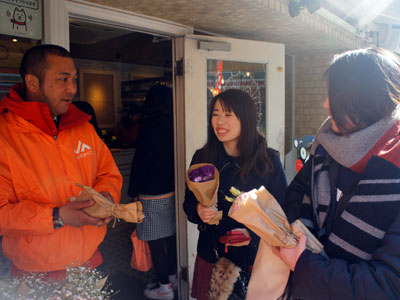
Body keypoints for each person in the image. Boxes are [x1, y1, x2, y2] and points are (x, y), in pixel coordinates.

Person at [273, 48, 400, 299]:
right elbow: (297, 193)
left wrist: (304, 264)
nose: (325, 104)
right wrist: (292, 235)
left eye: (335, 96)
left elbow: (387, 285)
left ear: (364, 101)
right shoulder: (327, 146)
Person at [0, 44, 122, 280]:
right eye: (63, 79)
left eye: (74, 79)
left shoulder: (82, 127)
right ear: (32, 82)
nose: (73, 88)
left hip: (90, 260)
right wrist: (57, 217)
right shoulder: (5, 136)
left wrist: (106, 198)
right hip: (37, 272)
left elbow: (108, 173)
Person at [183, 89, 287, 300]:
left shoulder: (267, 161)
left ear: (246, 118)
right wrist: (199, 211)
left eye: (228, 114)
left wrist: (254, 234)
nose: (219, 121)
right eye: (215, 114)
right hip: (212, 256)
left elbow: (282, 216)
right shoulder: (204, 158)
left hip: (254, 259)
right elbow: (188, 203)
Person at [128, 85, 177, 300]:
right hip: (174, 189)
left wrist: (133, 190)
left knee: (155, 241)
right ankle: (173, 276)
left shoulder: (149, 127)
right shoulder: (176, 123)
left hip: (152, 192)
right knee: (173, 236)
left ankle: (164, 287)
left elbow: (141, 161)